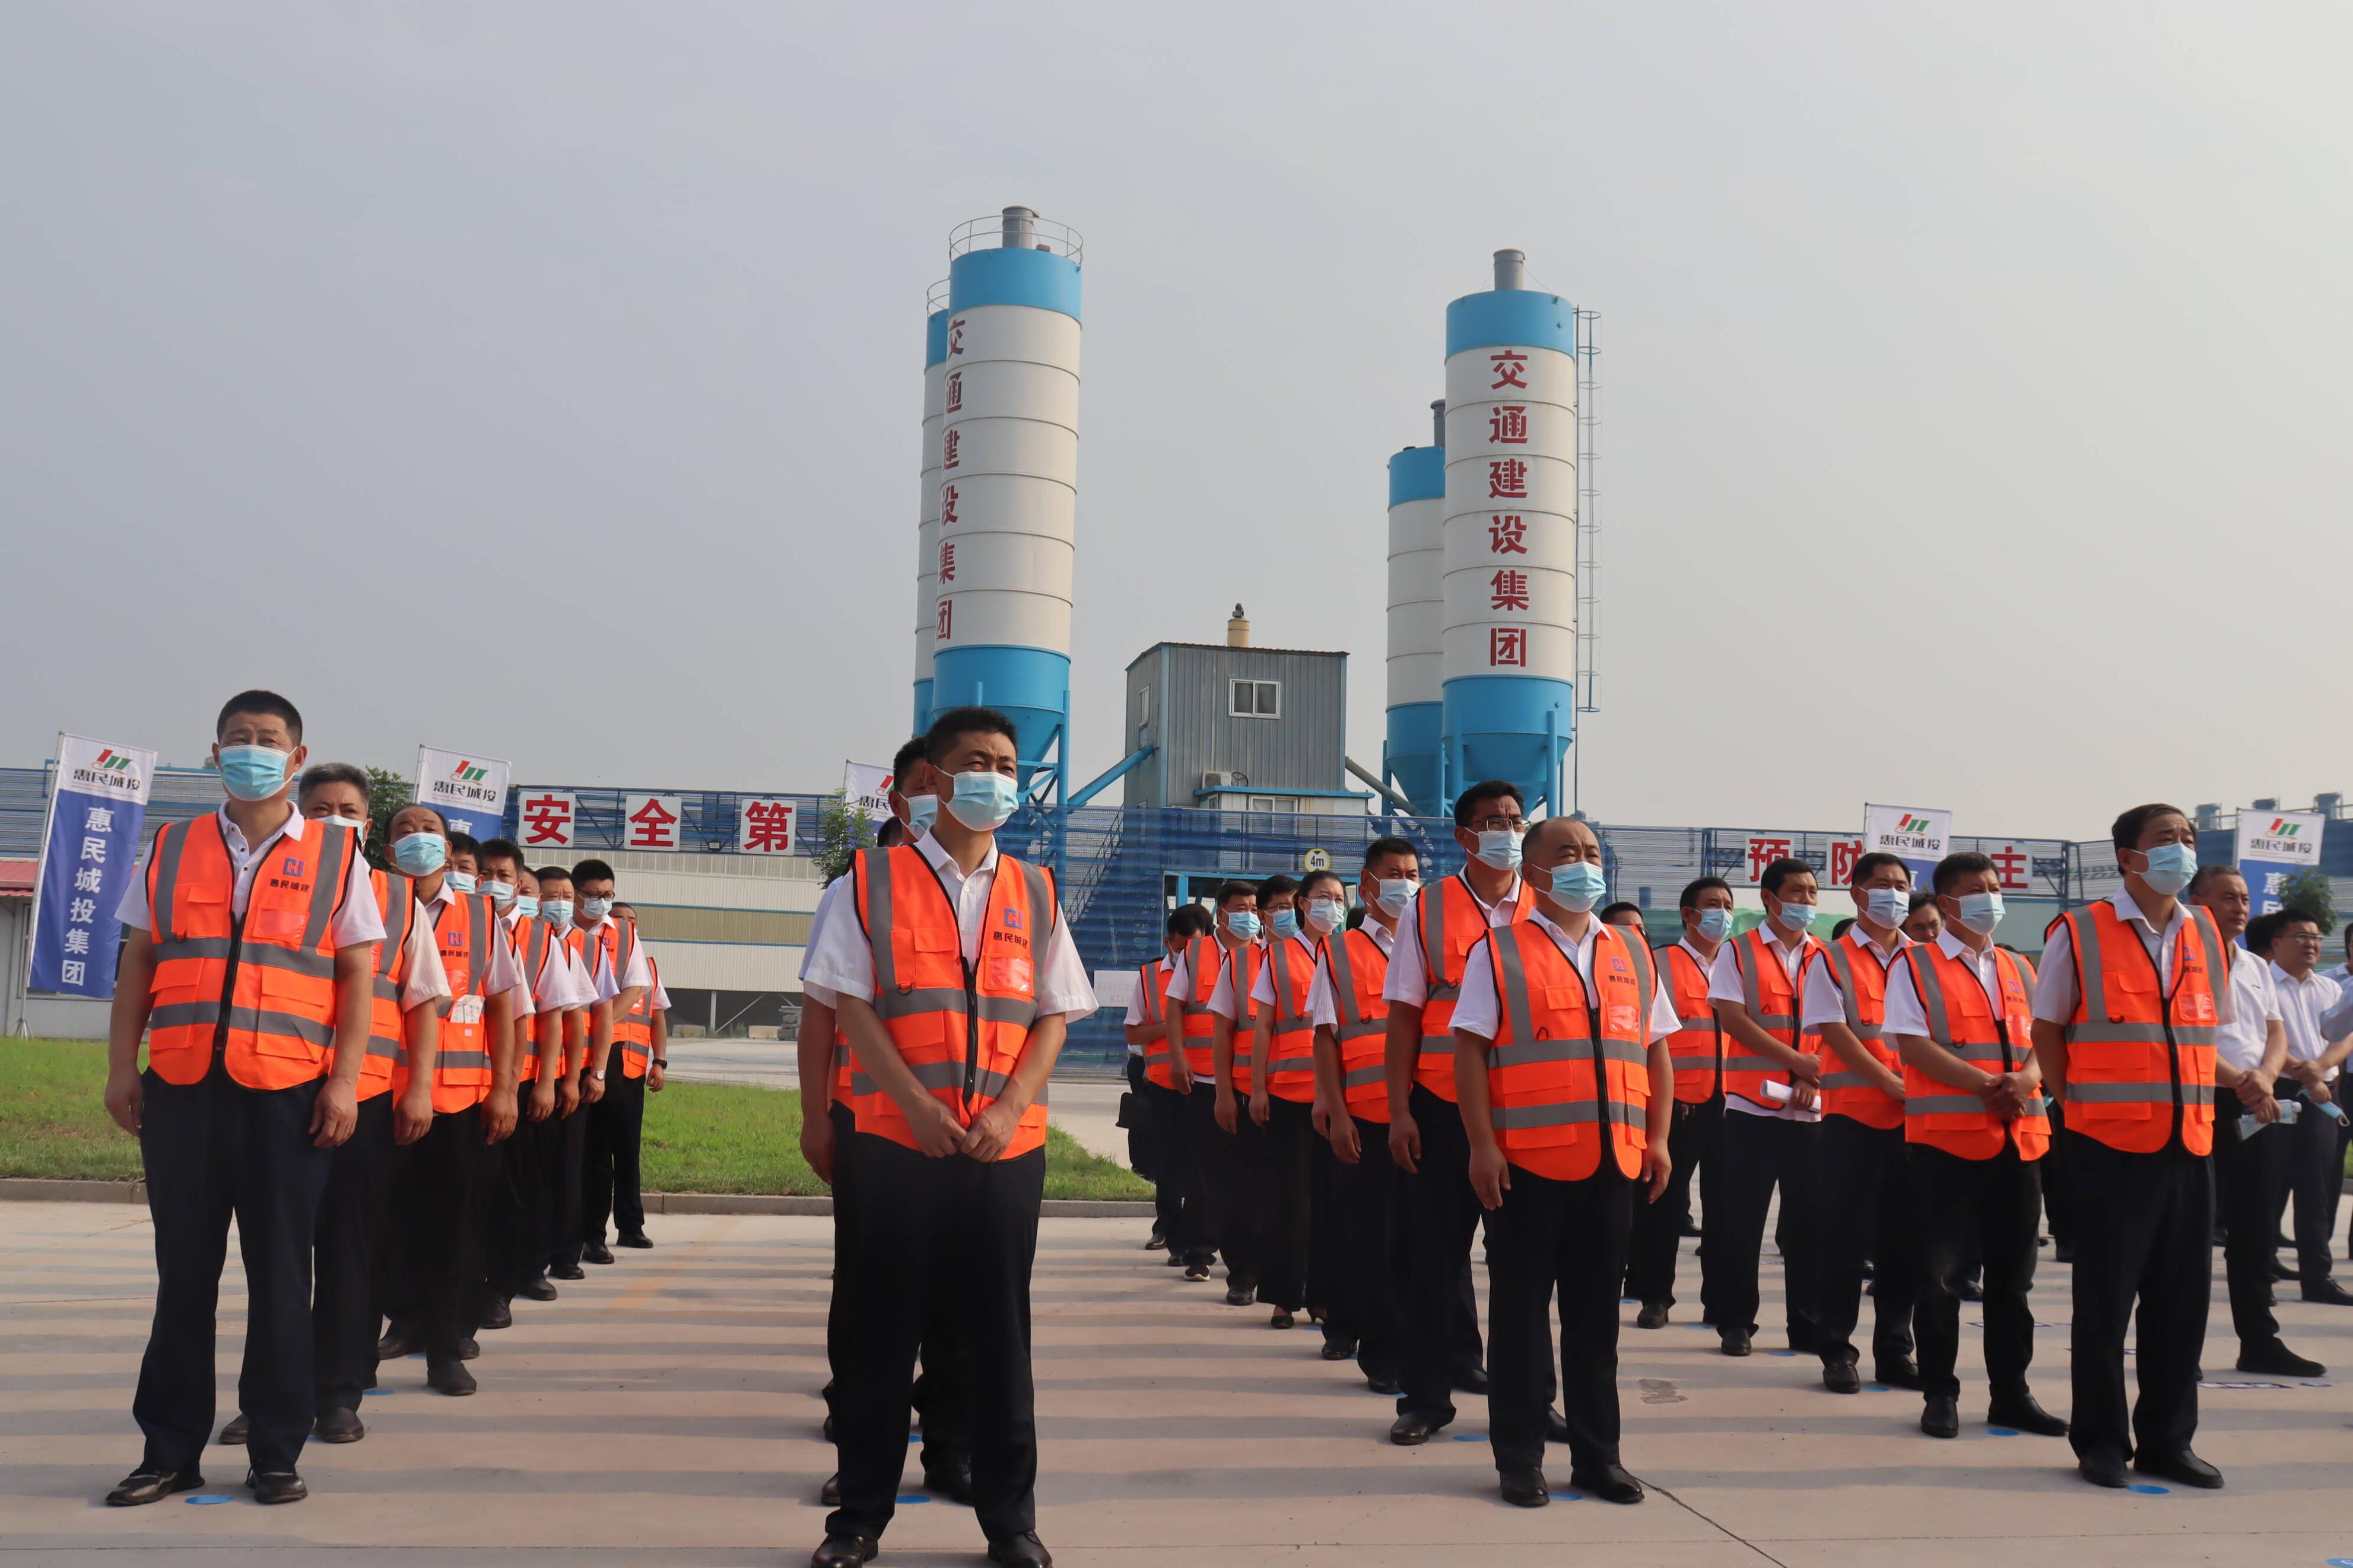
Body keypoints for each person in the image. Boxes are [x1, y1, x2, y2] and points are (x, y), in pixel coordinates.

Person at [803, 705, 1093, 1568]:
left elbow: (1053, 1017)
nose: (997, 777)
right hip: (895, 1144)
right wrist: (914, 1108)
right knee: (880, 1335)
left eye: (1008, 763)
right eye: (978, 761)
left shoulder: (1035, 889)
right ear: (929, 779)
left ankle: (1010, 1521)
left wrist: (1005, 1110)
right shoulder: (866, 882)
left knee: (1000, 1339)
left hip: (1004, 1151)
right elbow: (847, 1004)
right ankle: (857, 1519)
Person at [101, 691, 385, 1508]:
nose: (252, 749)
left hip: (287, 1096)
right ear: (215, 753)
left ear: (296, 759)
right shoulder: (172, 844)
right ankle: (169, 1448)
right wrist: (124, 1065)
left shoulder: (339, 857)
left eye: (269, 740)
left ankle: (275, 1448)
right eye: (239, 738)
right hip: (183, 1090)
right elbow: (140, 960)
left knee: (280, 1278)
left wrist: (343, 1079)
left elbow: (358, 974)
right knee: (181, 1276)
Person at [1450, 815, 1681, 1507]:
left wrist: (1659, 1139)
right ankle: (1519, 1459)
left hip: (1614, 1160)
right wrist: (1483, 1145)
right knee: (1521, 1320)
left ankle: (1596, 1457)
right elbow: (1469, 1051)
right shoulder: (1497, 952)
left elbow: (1656, 1049)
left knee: (1594, 1323)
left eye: (1589, 852)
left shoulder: (1633, 951)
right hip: (1526, 1166)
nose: (1583, 864)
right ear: (1534, 868)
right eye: (1567, 853)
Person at [2032, 803, 2230, 1491]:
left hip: (2189, 1144)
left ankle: (2168, 1441)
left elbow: (2209, 1033)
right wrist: (2075, 1105)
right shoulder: (2079, 930)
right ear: (2126, 856)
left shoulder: (2202, 930)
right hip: (2107, 1147)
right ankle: (2100, 1441)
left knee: (2181, 1304)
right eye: (2164, 839)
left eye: (2186, 838)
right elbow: (2047, 1030)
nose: (2180, 848)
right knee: (2105, 1303)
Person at [800, 736, 971, 1512]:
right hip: (873, 1122)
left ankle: (950, 1444)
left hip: (967, 1126)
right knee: (870, 1294)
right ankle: (860, 1443)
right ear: (901, 799)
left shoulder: (1000, 888)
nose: (945, 794)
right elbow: (822, 1012)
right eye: (927, 783)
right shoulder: (860, 885)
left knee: (957, 1292)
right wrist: (815, 1115)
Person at [1885, 851, 2068, 1439]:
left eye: (1994, 886)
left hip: (2018, 1144)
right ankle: (1939, 1392)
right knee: (1938, 1279)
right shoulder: (1913, 966)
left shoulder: (2017, 967)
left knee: (2012, 1284)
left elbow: (2044, 1037)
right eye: (1974, 889)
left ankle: (2010, 1394)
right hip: (1946, 1145)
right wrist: (1988, 1086)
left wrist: (2025, 1080)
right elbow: (1912, 1047)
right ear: (1944, 903)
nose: (1989, 897)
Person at [1383, 781, 1536, 1444]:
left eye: (1515, 819)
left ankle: (1530, 1400)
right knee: (1436, 1260)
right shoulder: (1429, 908)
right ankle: (1424, 1399)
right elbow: (1404, 1016)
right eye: (1492, 821)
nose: (1507, 830)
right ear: (1463, 836)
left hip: (1532, 1113)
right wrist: (1399, 1111)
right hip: (1442, 1105)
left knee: (1527, 1271)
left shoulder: (1549, 903)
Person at [300, 783, 450, 1432]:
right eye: (320, 810)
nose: (334, 822)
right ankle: (274, 1394)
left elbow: (424, 1003)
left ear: (368, 828)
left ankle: (339, 1388)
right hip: (275, 1093)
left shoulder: (395, 899)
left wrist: (417, 1087)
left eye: (349, 812)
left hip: (363, 1098)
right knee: (278, 1258)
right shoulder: (267, 883)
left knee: (347, 1248)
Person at [368, 802, 522, 1397]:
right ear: (386, 849)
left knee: (451, 1227)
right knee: (380, 1226)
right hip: (378, 1095)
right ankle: (396, 1325)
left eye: (428, 829)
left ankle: (446, 1342)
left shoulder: (482, 918)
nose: (417, 838)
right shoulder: (366, 903)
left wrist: (505, 1087)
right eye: (403, 830)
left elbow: (506, 1006)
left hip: (457, 1101)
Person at [1800, 853, 1920, 1394]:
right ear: (1856, 893)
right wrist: (1888, 1081)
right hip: (1854, 1119)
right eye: (1880, 885)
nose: (1892, 894)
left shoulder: (1926, 959)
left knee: (1904, 1243)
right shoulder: (1833, 958)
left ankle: (1895, 1350)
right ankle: (1836, 1350)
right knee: (1843, 1242)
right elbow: (1833, 1029)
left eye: (1900, 884)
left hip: (1917, 1123)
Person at [2186, 878, 2311, 1376]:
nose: (2239, 906)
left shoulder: (2256, 964)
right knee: (2190, 1234)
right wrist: (2244, 1080)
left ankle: (2258, 1339)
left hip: (2256, 1101)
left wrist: (2263, 1077)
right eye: (2226, 897)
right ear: (2198, 904)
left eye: (2244, 897)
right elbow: (2183, 1037)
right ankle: (2177, 1349)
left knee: (2257, 1229)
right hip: (2203, 1099)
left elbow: (2273, 1030)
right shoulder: (2182, 957)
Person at [1706, 857, 1829, 1357]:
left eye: (1812, 893)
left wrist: (1809, 1071)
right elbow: (1733, 1018)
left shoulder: (1827, 954)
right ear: (1770, 899)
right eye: (1796, 892)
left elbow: (1837, 1025)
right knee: (1741, 1222)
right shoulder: (1738, 952)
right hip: (1752, 1109)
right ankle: (1736, 1323)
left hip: (1813, 1110)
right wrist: (1794, 1063)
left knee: (1808, 1226)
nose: (1805, 901)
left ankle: (1806, 1324)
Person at [1310, 838, 1420, 1385]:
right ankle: (1383, 1356)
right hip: (1369, 1116)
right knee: (1374, 1240)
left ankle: (1438, 1354)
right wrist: (1336, 1109)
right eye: (1394, 873)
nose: (1406, 881)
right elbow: (1325, 1038)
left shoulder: (1434, 943)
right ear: (1369, 884)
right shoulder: (1340, 951)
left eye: (1413, 871)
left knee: (1425, 1245)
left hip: (1431, 1115)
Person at [1627, 877, 1734, 1330]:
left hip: (1733, 1103)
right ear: (1688, 915)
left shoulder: (1737, 961)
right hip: (1678, 1104)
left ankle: (1723, 1305)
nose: (1722, 914)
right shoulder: (1659, 964)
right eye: (1712, 905)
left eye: (1728, 905)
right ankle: (1655, 1296)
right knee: (1663, 1205)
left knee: (1729, 1211)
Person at [1161, 880, 1261, 1283]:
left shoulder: (1264, 954)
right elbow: (1174, 1008)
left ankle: (1245, 1259)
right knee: (1208, 1171)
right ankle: (1200, 1251)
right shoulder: (1196, 953)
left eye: (1254, 906)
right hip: (1201, 1080)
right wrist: (1178, 1058)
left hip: (1248, 1082)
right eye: (1241, 907)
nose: (1250, 914)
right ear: (1221, 913)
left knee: (1247, 1173)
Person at [1248, 869, 1336, 1329]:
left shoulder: (1348, 953)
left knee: (1328, 1200)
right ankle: (1284, 1297)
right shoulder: (1277, 957)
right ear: (1303, 903)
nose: (1332, 905)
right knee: (1288, 1197)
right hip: (1290, 1094)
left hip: (1340, 1099)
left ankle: (1322, 1296)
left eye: (1339, 897)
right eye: (1323, 896)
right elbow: (1263, 1026)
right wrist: (1258, 1086)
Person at [2252, 909, 2353, 1305]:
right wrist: (2304, 1073)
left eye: (2315, 936)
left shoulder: (2328, 987)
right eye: (2300, 936)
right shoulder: (2261, 983)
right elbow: (2259, 1038)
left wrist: (2322, 1069)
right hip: (2277, 1090)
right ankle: (2259, 1270)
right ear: (2276, 943)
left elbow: (2345, 1035)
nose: (2311, 943)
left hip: (2322, 1098)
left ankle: (2317, 1276)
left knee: (2317, 1188)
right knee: (2266, 1185)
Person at [1208, 874, 1291, 1305]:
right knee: (1243, 1190)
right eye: (1279, 907)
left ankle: (1286, 1278)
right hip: (1245, 1096)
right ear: (1262, 915)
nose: (1289, 914)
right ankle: (1241, 1273)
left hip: (1301, 1097)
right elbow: (1222, 1032)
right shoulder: (1239, 963)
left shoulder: (1321, 958)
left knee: (1292, 1195)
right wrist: (1224, 1092)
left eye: (1296, 904)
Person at [573, 858, 654, 1260]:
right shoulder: (554, 930)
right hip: (563, 1050)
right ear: (575, 893)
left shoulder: (623, 934)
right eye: (592, 895)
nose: (600, 903)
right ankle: (565, 1234)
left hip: (614, 1055)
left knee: (606, 1146)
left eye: (607, 895)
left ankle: (595, 1236)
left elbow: (635, 986)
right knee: (576, 1149)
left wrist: (595, 1027)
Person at [1128, 906, 1214, 1254]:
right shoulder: (1150, 977)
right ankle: (1167, 1226)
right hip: (1163, 1084)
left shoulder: (1226, 972)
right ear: (1168, 942)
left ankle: (1200, 1236)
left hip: (1208, 1084)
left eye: (1195, 947)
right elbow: (1133, 1032)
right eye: (1181, 948)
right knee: (1168, 1162)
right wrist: (1173, 1024)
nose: (1186, 956)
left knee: (1203, 1164)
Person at [541, 866, 605, 1283]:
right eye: (552, 895)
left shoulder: (588, 946)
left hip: (571, 1075)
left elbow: (599, 1015)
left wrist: (594, 1071)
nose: (561, 903)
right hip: (528, 1077)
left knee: (569, 1169)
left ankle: (566, 1253)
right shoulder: (523, 940)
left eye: (567, 895)